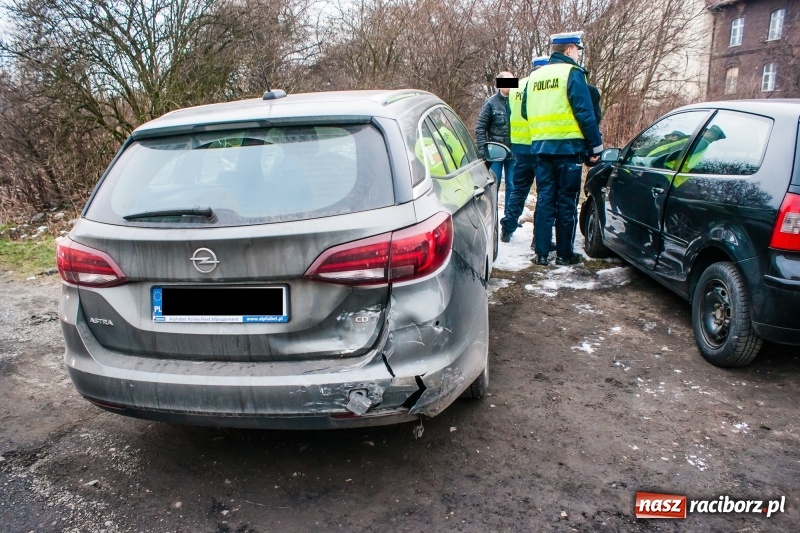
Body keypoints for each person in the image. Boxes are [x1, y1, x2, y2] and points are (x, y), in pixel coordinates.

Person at [525, 31, 603, 266]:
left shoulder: (535, 77)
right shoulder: (572, 73)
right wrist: (595, 145)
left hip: (541, 148)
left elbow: (526, 112)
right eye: (577, 50)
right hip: (568, 149)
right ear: (569, 50)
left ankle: (541, 253)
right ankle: (564, 254)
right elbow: (584, 113)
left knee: (545, 199)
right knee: (566, 202)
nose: (578, 54)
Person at [500, 56, 549, 243]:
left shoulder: (516, 86)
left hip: (519, 147)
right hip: (540, 146)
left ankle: (507, 228)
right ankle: (539, 238)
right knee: (544, 194)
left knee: (518, 190)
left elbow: (509, 113)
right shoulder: (543, 86)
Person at [476, 71, 515, 214]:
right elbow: (480, 128)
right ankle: (492, 215)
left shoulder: (517, 101)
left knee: (512, 185)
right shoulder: (490, 103)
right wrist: (484, 152)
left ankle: (509, 218)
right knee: (494, 185)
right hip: (496, 151)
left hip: (513, 151)